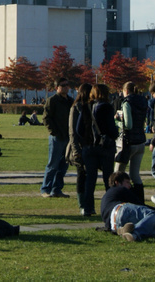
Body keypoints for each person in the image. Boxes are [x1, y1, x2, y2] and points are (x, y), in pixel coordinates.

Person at [81, 84, 117, 217]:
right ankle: (110, 206)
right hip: (105, 147)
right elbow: (111, 128)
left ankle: (87, 208)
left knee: (90, 178)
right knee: (108, 178)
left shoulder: (86, 106)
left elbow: (79, 128)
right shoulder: (107, 107)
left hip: (89, 146)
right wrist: (114, 135)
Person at [114, 81, 148, 201]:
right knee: (135, 175)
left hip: (129, 142)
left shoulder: (127, 102)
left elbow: (128, 125)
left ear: (126, 91)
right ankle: (140, 200)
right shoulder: (143, 101)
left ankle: (117, 198)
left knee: (117, 173)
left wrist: (117, 121)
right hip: (141, 141)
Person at [40, 78, 73, 199]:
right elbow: (46, 118)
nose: (65, 87)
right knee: (52, 164)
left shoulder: (70, 101)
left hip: (68, 137)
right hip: (57, 137)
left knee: (64, 165)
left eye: (67, 85)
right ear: (56, 87)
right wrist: (54, 132)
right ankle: (45, 189)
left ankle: (57, 189)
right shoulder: (52, 100)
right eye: (63, 85)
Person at [67, 82, 93, 212]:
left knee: (89, 176)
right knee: (81, 175)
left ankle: (88, 203)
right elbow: (72, 131)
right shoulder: (76, 107)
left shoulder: (91, 106)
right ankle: (82, 204)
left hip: (89, 145)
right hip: (80, 146)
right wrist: (76, 149)